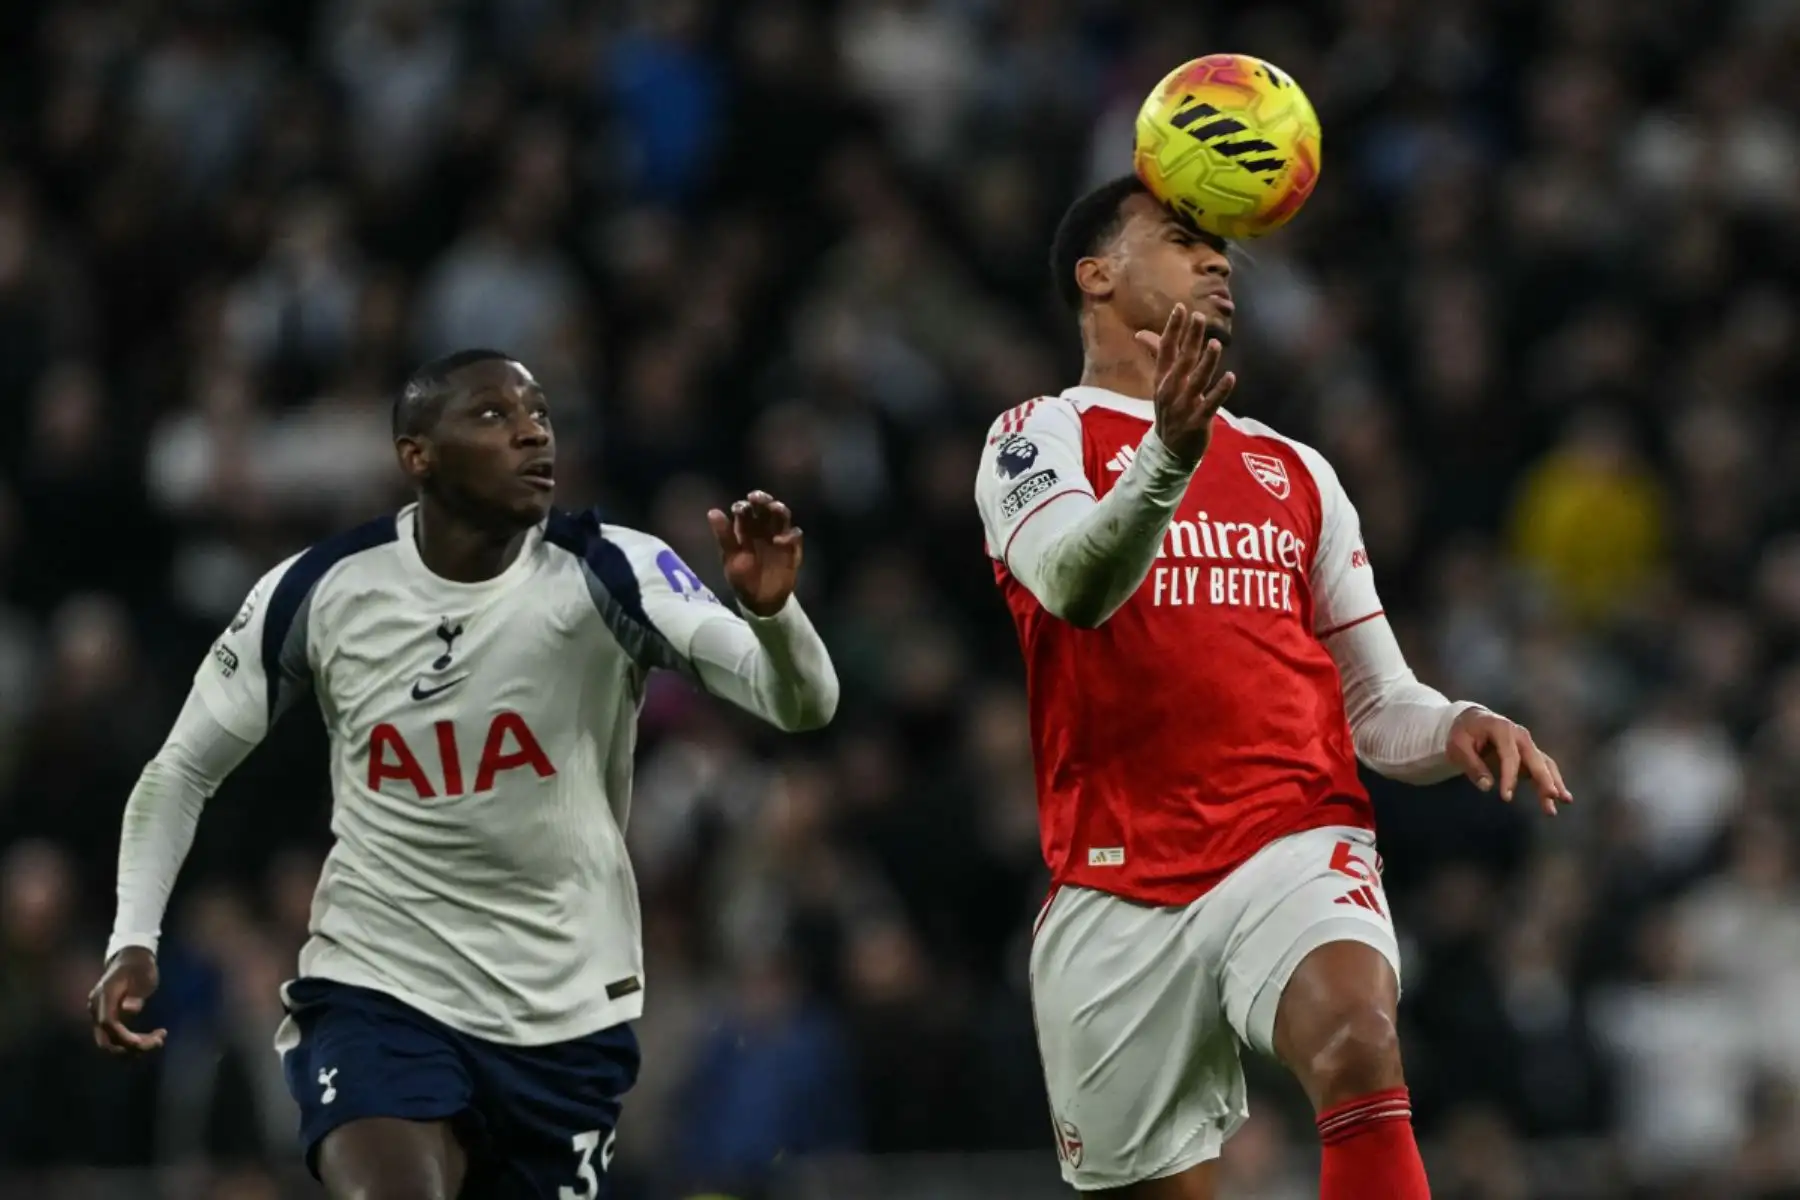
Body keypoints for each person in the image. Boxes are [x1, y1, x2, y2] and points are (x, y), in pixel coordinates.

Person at [89, 349, 839, 1199]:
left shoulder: (609, 570)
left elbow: (801, 706)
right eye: (492, 415)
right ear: (418, 455)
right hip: (380, 988)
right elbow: (181, 768)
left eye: (541, 415)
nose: (531, 433)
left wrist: (773, 614)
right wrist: (133, 937)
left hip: (564, 1012)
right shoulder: (324, 590)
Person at [973, 175, 1571, 1200]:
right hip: (1113, 878)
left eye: (1224, 250)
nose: (1218, 261)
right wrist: (1167, 457)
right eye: (1182, 239)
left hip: (1290, 838)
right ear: (1097, 274)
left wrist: (1460, 721)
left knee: (1357, 1037)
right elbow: (1074, 585)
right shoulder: (1035, 436)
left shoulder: (1295, 471)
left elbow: (1377, 702)